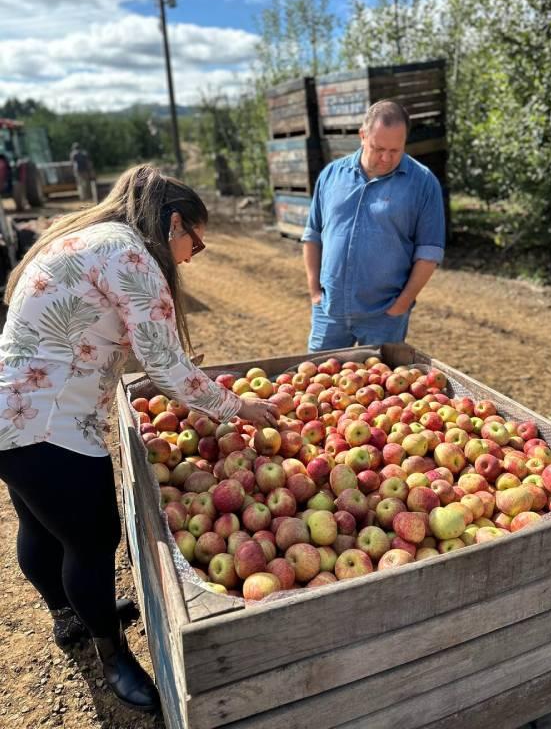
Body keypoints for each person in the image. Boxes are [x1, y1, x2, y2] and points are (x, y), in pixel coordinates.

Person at [0, 164, 279, 713]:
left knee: (38, 521)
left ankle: (68, 617)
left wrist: (172, 364)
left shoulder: (86, 236)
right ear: (175, 224)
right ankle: (113, 657)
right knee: (92, 540)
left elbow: (97, 330)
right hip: (49, 424)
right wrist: (242, 407)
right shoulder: (131, 254)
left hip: (10, 414)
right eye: (195, 244)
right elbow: (169, 373)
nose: (192, 257)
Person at [302, 99, 446, 351]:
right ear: (362, 135)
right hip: (330, 311)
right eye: (378, 148)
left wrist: (401, 305)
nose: (386, 158)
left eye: (395, 150)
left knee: (380, 387)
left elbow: (429, 252)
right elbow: (313, 234)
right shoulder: (331, 175)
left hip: (385, 316)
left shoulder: (422, 183)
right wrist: (315, 291)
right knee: (317, 383)